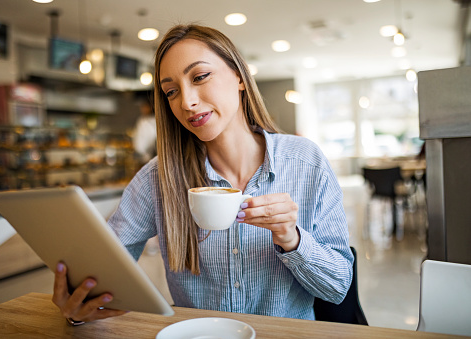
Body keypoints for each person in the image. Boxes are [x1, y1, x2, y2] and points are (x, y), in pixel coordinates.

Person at [52, 24, 353, 324]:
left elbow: (338, 287)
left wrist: (292, 238)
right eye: (171, 91)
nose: (186, 102)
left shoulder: (305, 162)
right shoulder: (158, 178)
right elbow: (104, 272)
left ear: (239, 76)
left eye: (200, 77)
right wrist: (81, 306)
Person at [132, 96, 157, 166]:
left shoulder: (144, 121)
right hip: (147, 157)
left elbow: (140, 145)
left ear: (150, 107)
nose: (142, 109)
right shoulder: (143, 120)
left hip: (150, 157)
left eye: (144, 106)